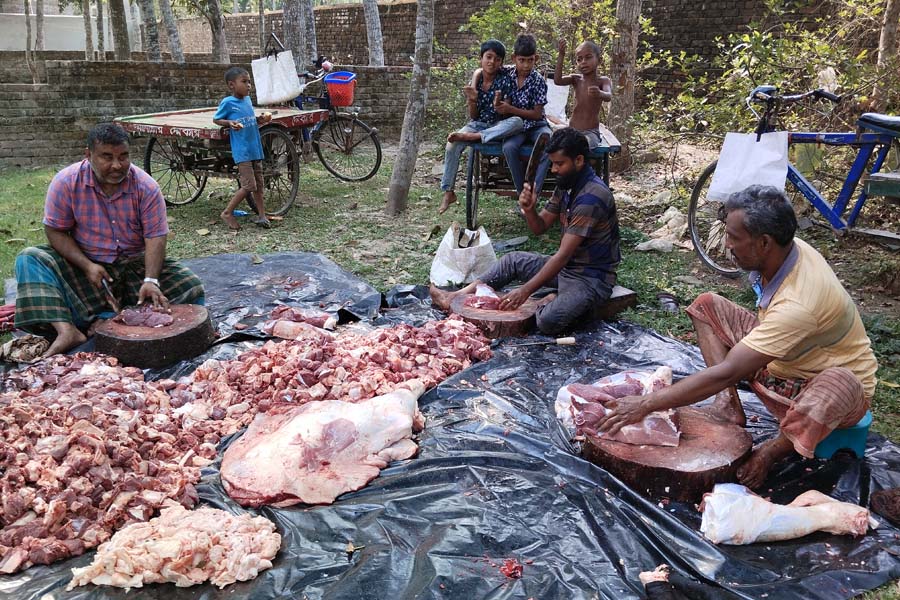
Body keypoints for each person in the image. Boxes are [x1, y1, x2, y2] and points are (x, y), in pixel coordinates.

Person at [598, 185, 878, 489]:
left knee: (838, 382)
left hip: (836, 394)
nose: (727, 245)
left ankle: (772, 452)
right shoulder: (787, 250)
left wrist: (645, 404)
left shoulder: (800, 303)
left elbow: (728, 371)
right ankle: (729, 405)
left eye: (734, 237)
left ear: (764, 243)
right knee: (706, 305)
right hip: (785, 364)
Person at [13, 123, 206, 357]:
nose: (117, 165)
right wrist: (87, 266)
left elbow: (155, 236)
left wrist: (151, 279)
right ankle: (67, 330)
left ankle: (106, 318)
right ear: (88, 155)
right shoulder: (66, 182)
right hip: (88, 264)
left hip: (134, 264)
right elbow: (55, 230)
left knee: (191, 287)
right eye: (107, 157)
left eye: (123, 156)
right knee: (30, 259)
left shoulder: (145, 186)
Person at [431, 127, 621, 334]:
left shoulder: (591, 198)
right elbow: (539, 228)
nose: (554, 170)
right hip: (568, 269)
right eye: (553, 164)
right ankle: (456, 295)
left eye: (559, 164)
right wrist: (530, 210)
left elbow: (563, 255)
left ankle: (551, 299)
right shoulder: (566, 185)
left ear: (579, 160)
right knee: (512, 261)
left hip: (591, 278)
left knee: (548, 321)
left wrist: (525, 291)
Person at [439, 39, 524, 214]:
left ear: (501, 62)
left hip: (498, 126)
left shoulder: (505, 79)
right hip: (478, 125)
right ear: (481, 58)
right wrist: (472, 100)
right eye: (489, 57)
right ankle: (449, 192)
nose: (492, 62)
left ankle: (475, 138)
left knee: (517, 122)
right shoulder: (476, 80)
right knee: (452, 145)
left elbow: (507, 114)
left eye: (497, 59)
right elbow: (473, 116)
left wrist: (500, 106)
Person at [213, 66, 273, 230]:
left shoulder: (247, 100)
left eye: (249, 82)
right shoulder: (228, 102)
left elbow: (249, 119)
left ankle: (262, 215)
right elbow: (217, 119)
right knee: (249, 186)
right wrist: (229, 123)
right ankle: (227, 212)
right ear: (232, 85)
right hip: (243, 151)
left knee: (259, 184)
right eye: (244, 82)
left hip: (255, 148)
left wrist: (259, 120)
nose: (248, 85)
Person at [496, 34, 553, 197]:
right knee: (509, 147)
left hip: (537, 125)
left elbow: (536, 114)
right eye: (522, 60)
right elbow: (484, 69)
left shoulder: (538, 81)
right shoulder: (507, 74)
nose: (526, 65)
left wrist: (510, 109)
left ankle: (534, 192)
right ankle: (523, 194)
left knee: (548, 141)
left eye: (530, 60)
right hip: (516, 127)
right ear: (514, 58)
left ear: (536, 58)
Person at [554, 39, 612, 149]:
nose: (583, 62)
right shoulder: (575, 79)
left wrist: (600, 93)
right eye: (579, 59)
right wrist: (561, 55)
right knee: (555, 143)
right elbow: (558, 80)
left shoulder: (602, 81)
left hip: (590, 133)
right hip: (572, 130)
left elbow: (608, 96)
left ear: (599, 60)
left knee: (583, 145)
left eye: (588, 57)